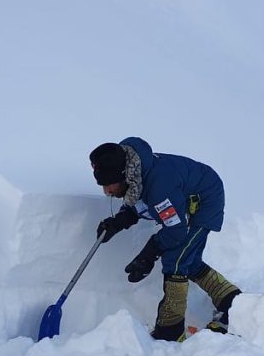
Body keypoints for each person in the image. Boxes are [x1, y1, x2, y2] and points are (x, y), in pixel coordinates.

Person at [89, 138, 241, 341]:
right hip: (183, 197)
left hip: (205, 200)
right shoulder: (131, 168)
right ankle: (229, 298)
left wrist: (148, 254)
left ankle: (170, 329)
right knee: (188, 259)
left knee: (176, 260)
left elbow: (175, 231)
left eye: (109, 184)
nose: (106, 191)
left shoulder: (160, 188)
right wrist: (119, 221)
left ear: (124, 176)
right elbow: (139, 197)